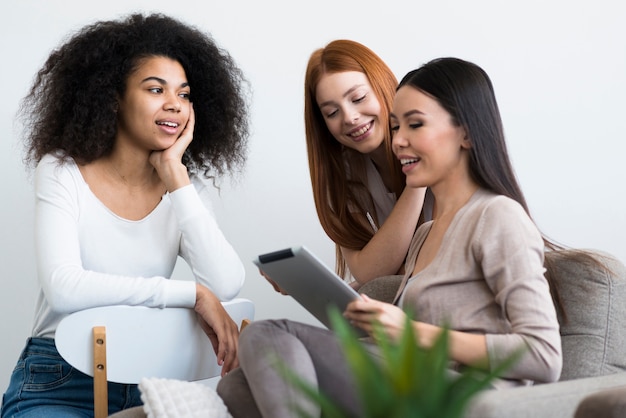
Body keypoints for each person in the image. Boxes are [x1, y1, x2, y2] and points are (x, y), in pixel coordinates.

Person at [218, 57, 565, 417]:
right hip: (409, 384)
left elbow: (544, 355)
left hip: (466, 397)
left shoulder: (497, 215)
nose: (398, 140)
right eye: (396, 127)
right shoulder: (426, 234)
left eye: (414, 125)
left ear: (466, 132)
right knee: (235, 385)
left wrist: (412, 333)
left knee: (267, 334)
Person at [1, 13, 249, 417]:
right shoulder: (62, 170)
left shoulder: (183, 191)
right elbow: (65, 287)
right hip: (59, 380)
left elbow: (225, 283)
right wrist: (190, 295)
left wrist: (176, 177)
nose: (175, 104)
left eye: (184, 95)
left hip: (145, 381)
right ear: (112, 97)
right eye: (156, 89)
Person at [266, 39, 429, 290]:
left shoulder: (435, 143)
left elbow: (441, 262)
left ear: (384, 86)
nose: (350, 118)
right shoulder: (344, 173)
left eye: (358, 97)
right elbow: (368, 270)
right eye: (332, 113)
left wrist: (418, 171)